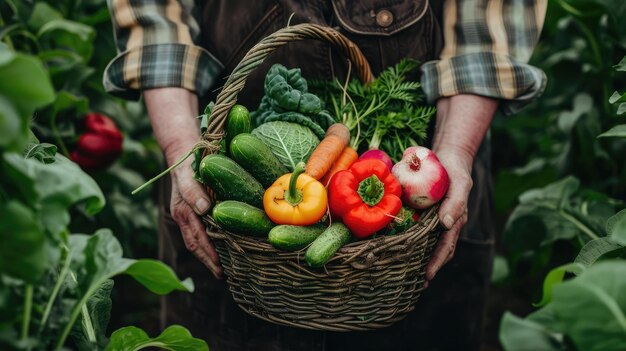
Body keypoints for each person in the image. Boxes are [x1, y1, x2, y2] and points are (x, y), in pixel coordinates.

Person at [105, 1, 547, 350]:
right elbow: (155, 14)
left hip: (426, 158)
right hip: (216, 160)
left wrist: (457, 149)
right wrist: (182, 147)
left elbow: (490, 20)